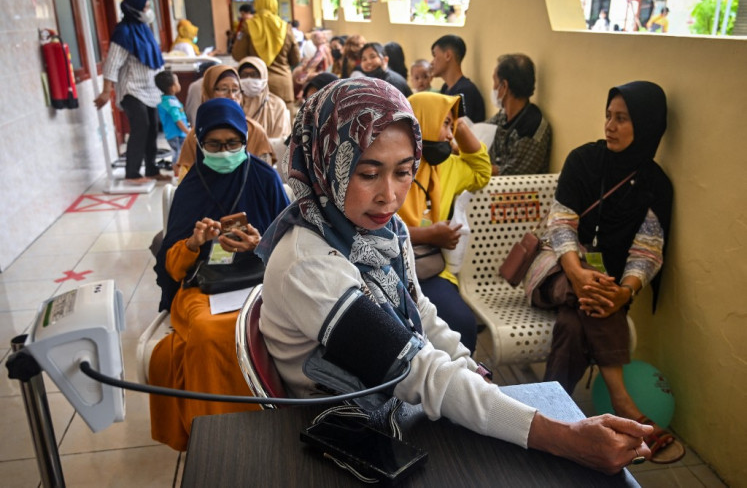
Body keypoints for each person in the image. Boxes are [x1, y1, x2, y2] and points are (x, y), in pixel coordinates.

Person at [256, 78, 655, 476]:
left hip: (388, 401)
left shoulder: (379, 229)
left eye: (403, 171)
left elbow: (419, 312)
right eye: (368, 173)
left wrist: (474, 374)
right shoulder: (307, 264)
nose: (390, 196)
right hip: (346, 427)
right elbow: (416, 370)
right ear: (327, 162)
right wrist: (566, 438)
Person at [523, 81, 683, 464]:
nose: (610, 126)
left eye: (622, 119)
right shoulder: (583, 161)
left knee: (576, 323)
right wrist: (578, 273)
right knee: (588, 293)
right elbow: (561, 225)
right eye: (609, 116)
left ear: (646, 126)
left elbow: (647, 250)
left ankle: (554, 416)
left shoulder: (655, 184)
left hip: (604, 290)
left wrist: (625, 291)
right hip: (556, 272)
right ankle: (623, 400)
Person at [150, 98, 290, 451]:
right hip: (202, 286)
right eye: (214, 144)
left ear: (246, 139)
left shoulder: (264, 177)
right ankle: (216, 440)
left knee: (247, 325)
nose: (224, 152)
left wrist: (261, 243)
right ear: (199, 143)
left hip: (258, 282)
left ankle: (263, 430)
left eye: (233, 144)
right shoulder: (192, 186)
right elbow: (172, 264)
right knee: (208, 329)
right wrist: (194, 243)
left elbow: (294, 246)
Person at [398, 92, 490, 352]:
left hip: (429, 270)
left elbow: (481, 171)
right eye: (445, 124)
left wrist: (458, 124)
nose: (450, 135)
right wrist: (429, 235)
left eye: (452, 125)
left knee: (461, 323)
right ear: (421, 122)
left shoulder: (448, 166)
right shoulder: (393, 165)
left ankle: (457, 387)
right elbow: (374, 227)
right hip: (389, 266)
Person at [94, 0, 168, 184]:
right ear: (133, 9)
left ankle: (152, 169)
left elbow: (155, 59)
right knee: (141, 128)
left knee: (152, 129)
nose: (148, 12)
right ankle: (132, 173)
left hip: (150, 89)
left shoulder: (144, 29)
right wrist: (105, 91)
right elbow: (112, 63)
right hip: (131, 89)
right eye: (145, 8)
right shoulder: (123, 32)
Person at [174, 65, 273, 177]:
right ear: (208, 92)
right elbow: (185, 180)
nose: (231, 96)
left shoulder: (255, 131)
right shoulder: (194, 136)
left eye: (236, 90)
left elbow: (265, 174)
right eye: (223, 89)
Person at [231, 0, 301, 111]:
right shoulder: (286, 27)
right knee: (285, 127)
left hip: (256, 85)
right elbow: (295, 59)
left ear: (256, 5)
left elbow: (238, 55)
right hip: (282, 86)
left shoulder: (248, 26)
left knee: (257, 126)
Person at [485, 54, 551, 176]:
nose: (493, 87)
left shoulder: (533, 129)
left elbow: (512, 174)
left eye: (495, 81)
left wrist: (479, 168)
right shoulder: (503, 116)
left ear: (504, 86)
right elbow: (482, 132)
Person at [430, 34, 485, 123]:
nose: (431, 62)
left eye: (434, 55)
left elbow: (457, 128)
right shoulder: (445, 87)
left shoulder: (465, 91)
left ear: (447, 55)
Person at [237, 56, 291, 140]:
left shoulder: (277, 105)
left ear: (264, 76)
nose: (249, 79)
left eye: (254, 75)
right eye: (244, 75)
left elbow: (281, 140)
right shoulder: (234, 102)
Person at [155, 71, 190, 161]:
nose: (179, 84)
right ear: (173, 87)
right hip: (176, 134)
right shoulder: (171, 103)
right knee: (178, 154)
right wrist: (187, 131)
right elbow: (177, 120)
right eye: (177, 82)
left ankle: (178, 171)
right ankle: (177, 173)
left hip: (175, 133)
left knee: (179, 153)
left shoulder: (169, 100)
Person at [291, 30, 333, 99]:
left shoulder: (321, 48)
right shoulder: (324, 47)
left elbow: (314, 62)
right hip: (325, 71)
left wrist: (305, 68)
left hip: (323, 73)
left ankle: (300, 95)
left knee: (299, 75)